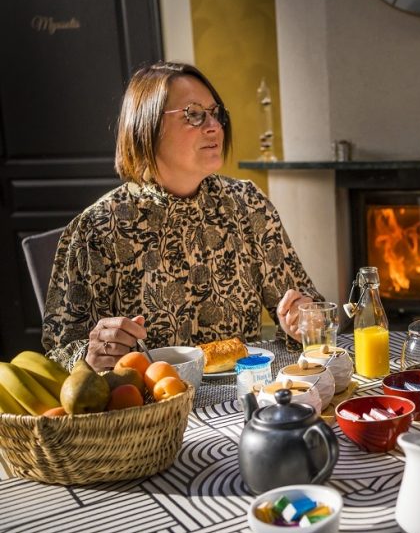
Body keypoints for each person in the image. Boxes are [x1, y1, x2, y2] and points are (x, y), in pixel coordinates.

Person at [42, 62, 323, 370]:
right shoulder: (98, 228)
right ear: (145, 125)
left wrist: (304, 320)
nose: (214, 125)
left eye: (215, 113)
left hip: (245, 397)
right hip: (152, 406)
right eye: (193, 114)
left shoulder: (248, 204)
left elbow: (308, 308)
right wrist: (91, 354)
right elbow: (60, 353)